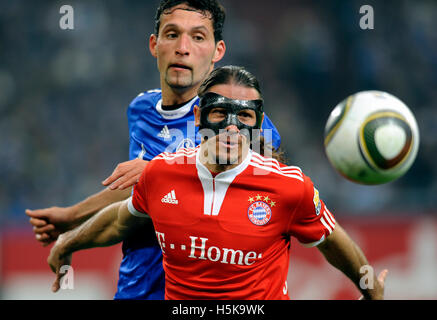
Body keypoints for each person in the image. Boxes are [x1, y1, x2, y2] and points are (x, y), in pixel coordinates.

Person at [48, 66, 387, 300]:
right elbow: (121, 219)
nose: (231, 127)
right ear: (198, 117)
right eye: (219, 112)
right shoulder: (160, 174)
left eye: (244, 117)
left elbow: (331, 239)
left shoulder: (289, 187)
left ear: (258, 123)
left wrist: (370, 287)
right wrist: (68, 244)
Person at [25, 0, 281, 299]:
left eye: (198, 37)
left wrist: (159, 169)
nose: (182, 47)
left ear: (217, 52)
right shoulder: (141, 109)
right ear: (154, 44)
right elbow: (138, 190)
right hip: (136, 288)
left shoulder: (236, 120)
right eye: (172, 34)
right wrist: (72, 216)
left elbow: (260, 179)